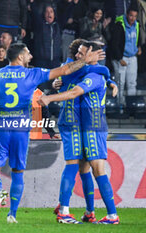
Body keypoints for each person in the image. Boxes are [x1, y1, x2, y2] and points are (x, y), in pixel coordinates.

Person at [0, 43, 104, 223]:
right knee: (18, 172)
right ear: (19, 57)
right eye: (28, 53)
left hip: (1, 128)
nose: (31, 56)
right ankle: (12, 215)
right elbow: (64, 70)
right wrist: (84, 61)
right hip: (21, 129)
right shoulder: (32, 74)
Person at [38, 41, 120, 224]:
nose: (77, 55)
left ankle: (109, 214)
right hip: (77, 124)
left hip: (92, 126)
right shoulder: (78, 71)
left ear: (93, 55)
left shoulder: (95, 75)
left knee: (92, 168)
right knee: (82, 167)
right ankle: (86, 211)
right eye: (78, 52)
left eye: (82, 53)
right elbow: (66, 74)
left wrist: (50, 97)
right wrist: (57, 83)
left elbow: (76, 91)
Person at [110, 7, 140, 105]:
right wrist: (119, 58)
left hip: (132, 57)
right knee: (120, 83)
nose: (132, 18)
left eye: (135, 16)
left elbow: (137, 37)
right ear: (127, 14)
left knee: (132, 84)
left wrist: (138, 47)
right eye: (131, 15)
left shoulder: (137, 24)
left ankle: (132, 105)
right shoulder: (119, 25)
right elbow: (114, 44)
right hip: (121, 58)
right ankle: (120, 107)